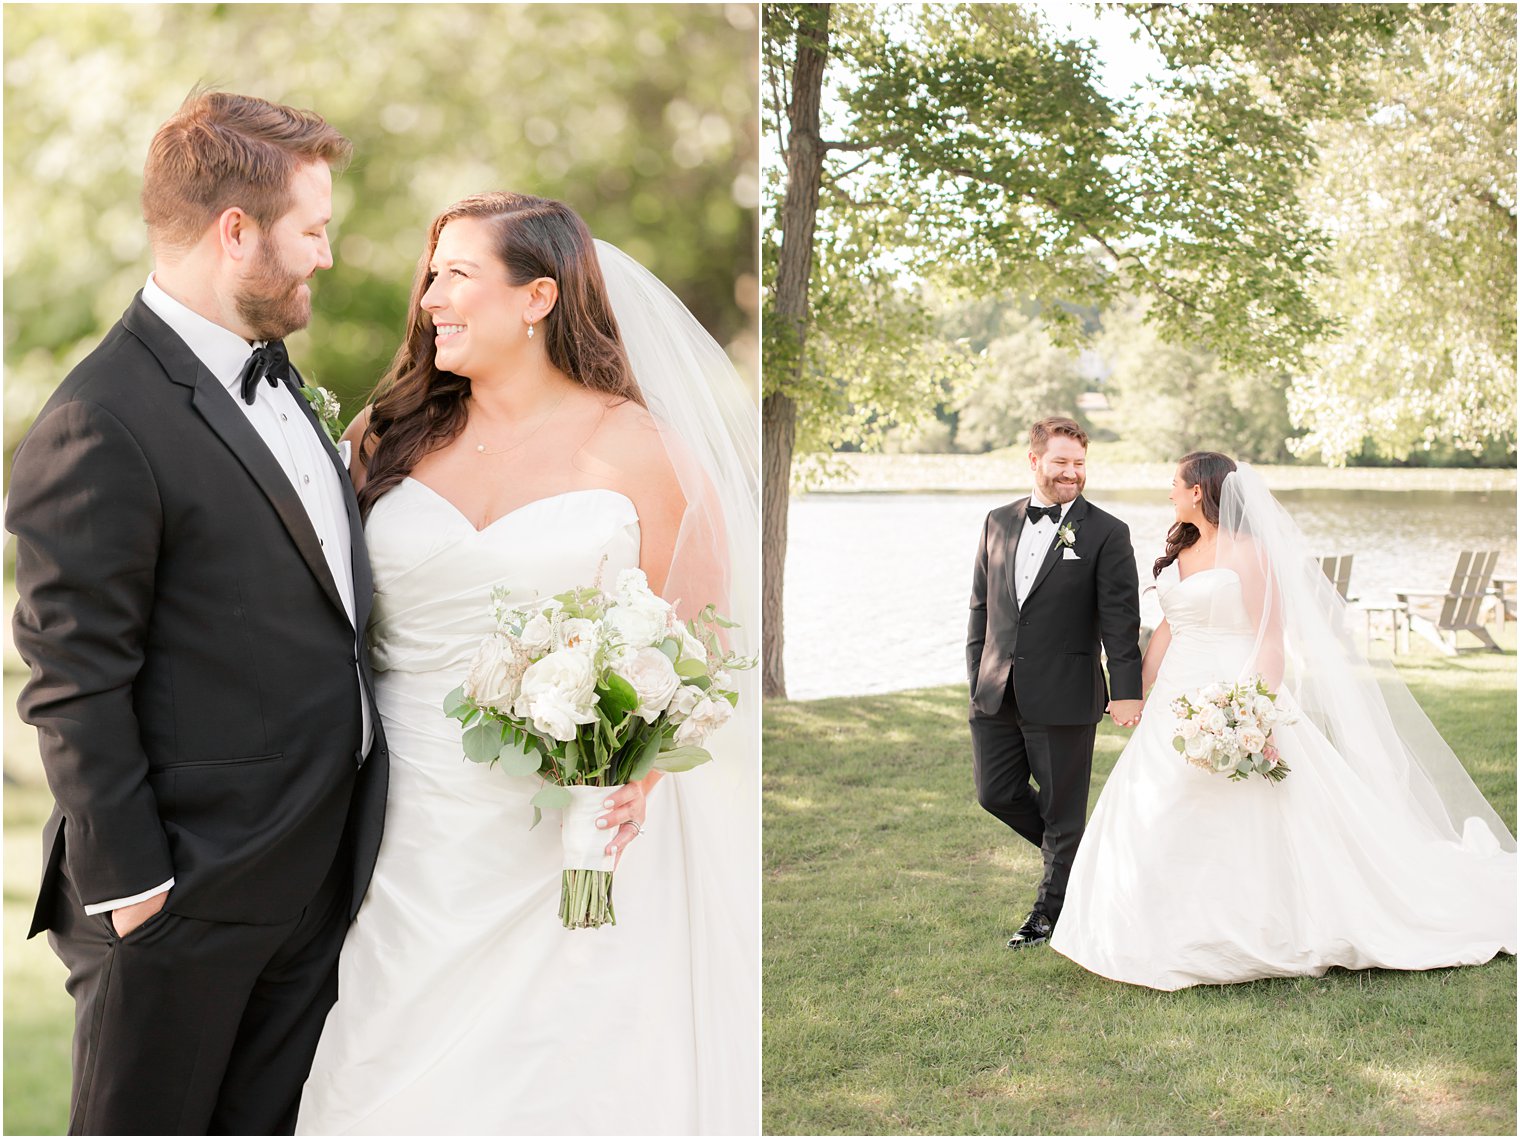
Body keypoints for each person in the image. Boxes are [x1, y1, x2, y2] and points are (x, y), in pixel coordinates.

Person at [295, 192, 759, 1134]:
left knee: (567, 1069)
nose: (429, 297)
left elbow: (702, 641)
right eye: (432, 275)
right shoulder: (382, 441)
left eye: (456, 274)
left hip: (575, 831)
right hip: (405, 824)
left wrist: (640, 771)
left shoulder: (639, 446)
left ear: (539, 296)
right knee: (379, 1067)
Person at [6, 91, 387, 1134]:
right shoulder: (99, 419)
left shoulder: (273, 380)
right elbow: (73, 675)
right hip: (182, 895)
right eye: (312, 229)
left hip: (307, 874)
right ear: (236, 231)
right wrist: (137, 888)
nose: (326, 255)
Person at [1051, 453, 1517, 989]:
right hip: (1177, 695)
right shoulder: (1180, 547)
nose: (1169, 492)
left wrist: (1252, 710)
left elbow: (1271, 639)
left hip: (1235, 687)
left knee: (1246, 803)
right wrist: (1134, 692)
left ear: (1199, 491)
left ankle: (1260, 924)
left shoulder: (1251, 553)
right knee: (1154, 798)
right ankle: (1150, 924)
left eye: (1174, 484)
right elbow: (1166, 629)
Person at [967, 417, 1143, 951]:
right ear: (1035, 461)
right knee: (994, 794)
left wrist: (1126, 688)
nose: (1072, 472)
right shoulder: (997, 521)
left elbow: (1120, 618)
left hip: (1066, 692)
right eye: (1061, 462)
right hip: (996, 689)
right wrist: (977, 676)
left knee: (1064, 811)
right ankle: (1082, 860)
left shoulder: (1108, 532)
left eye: (1080, 464)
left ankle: (1047, 915)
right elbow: (981, 608)